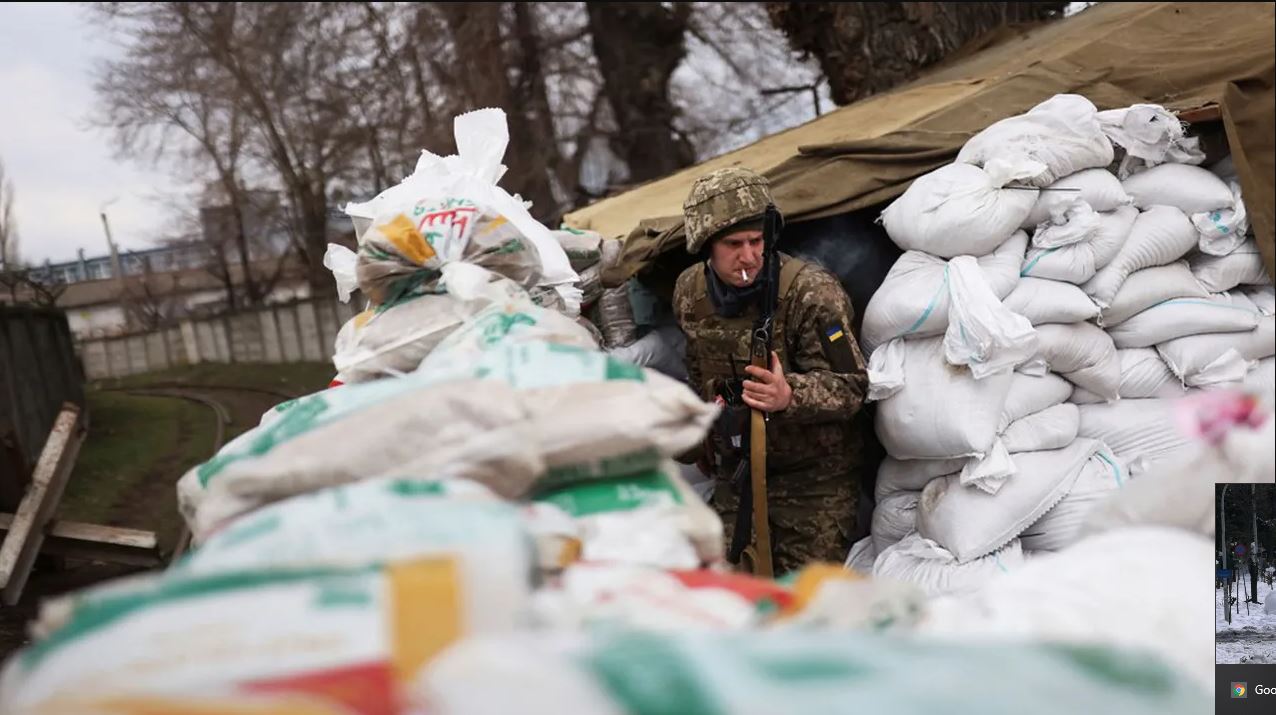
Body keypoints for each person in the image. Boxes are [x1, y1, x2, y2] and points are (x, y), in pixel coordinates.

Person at [673, 167, 868, 575]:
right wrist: (707, 433)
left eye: (756, 241)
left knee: (801, 604)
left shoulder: (810, 294)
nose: (748, 257)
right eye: (733, 244)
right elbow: (698, 366)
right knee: (716, 594)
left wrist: (788, 395)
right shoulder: (690, 294)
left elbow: (852, 387)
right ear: (707, 245)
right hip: (739, 477)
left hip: (813, 483)